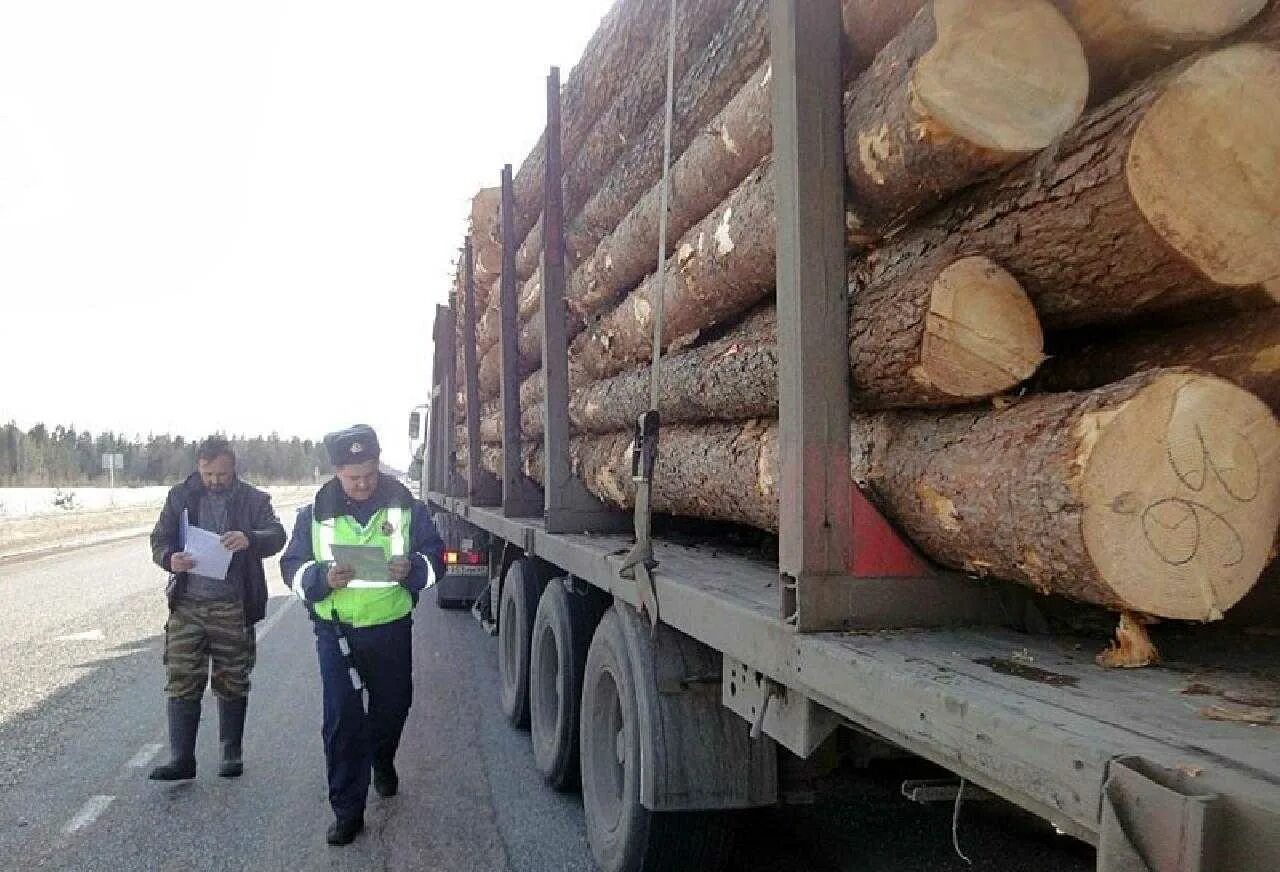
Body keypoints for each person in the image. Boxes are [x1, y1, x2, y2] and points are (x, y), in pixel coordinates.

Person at [280, 424, 446, 846]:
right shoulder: (313, 512)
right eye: (354, 477)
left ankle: (383, 760)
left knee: (393, 707)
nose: (363, 483)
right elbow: (291, 568)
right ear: (337, 471)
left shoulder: (405, 505)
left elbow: (436, 556)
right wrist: (320, 578)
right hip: (337, 633)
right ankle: (347, 812)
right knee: (342, 721)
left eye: (369, 474)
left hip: (391, 629)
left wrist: (415, 570)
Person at [148, 436, 286, 780]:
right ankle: (182, 758)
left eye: (222, 474)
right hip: (187, 605)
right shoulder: (180, 497)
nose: (215, 481)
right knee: (181, 678)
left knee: (233, 679)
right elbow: (159, 540)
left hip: (232, 605)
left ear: (233, 467)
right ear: (199, 467)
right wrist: (170, 558)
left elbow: (277, 535)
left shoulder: (253, 499)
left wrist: (250, 538)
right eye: (209, 474)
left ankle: (230, 752)